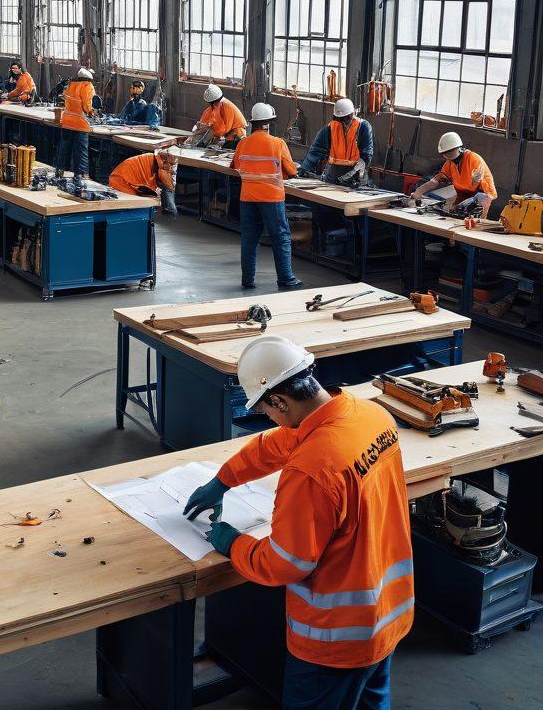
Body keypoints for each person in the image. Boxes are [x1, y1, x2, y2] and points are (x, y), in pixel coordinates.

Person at [182, 335, 412, 710]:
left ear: (279, 400)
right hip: (388, 611)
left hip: (336, 636)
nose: (269, 418)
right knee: (371, 699)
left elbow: (286, 564)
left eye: (266, 410)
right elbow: (277, 444)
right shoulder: (368, 415)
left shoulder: (311, 470)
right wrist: (224, 479)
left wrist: (231, 542)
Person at [231, 103, 303, 290]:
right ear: (268, 124)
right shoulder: (278, 143)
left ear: (253, 124)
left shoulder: (242, 143)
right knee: (280, 237)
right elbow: (292, 171)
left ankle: (247, 280)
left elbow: (235, 166)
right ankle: (286, 279)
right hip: (271, 198)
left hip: (247, 197)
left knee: (249, 238)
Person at [411, 131, 497, 217]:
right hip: (463, 195)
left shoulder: (473, 159)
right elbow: (436, 181)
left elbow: (477, 186)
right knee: (452, 215)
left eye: (449, 152)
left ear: (458, 148)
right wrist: (418, 192)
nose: (447, 155)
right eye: (444, 153)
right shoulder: (450, 163)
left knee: (472, 220)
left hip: (481, 196)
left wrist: (459, 205)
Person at [300, 98, 374, 186]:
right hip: (333, 175)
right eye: (341, 120)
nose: (344, 123)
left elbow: (367, 154)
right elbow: (316, 150)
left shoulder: (363, 127)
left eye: (347, 119)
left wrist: (354, 174)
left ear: (353, 114)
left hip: (355, 176)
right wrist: (304, 170)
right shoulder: (330, 128)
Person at [109, 149, 178, 215]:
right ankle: (170, 210)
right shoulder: (157, 163)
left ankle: (168, 209)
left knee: (152, 194)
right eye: (171, 166)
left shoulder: (153, 158)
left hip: (119, 178)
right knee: (148, 196)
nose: (171, 168)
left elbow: (150, 177)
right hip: (120, 181)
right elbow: (164, 181)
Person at [56, 67, 96, 179]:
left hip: (67, 122)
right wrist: (92, 112)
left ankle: (60, 171)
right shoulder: (87, 86)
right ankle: (81, 175)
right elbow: (87, 105)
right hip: (80, 124)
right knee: (81, 150)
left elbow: (65, 100)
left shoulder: (70, 86)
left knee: (64, 148)